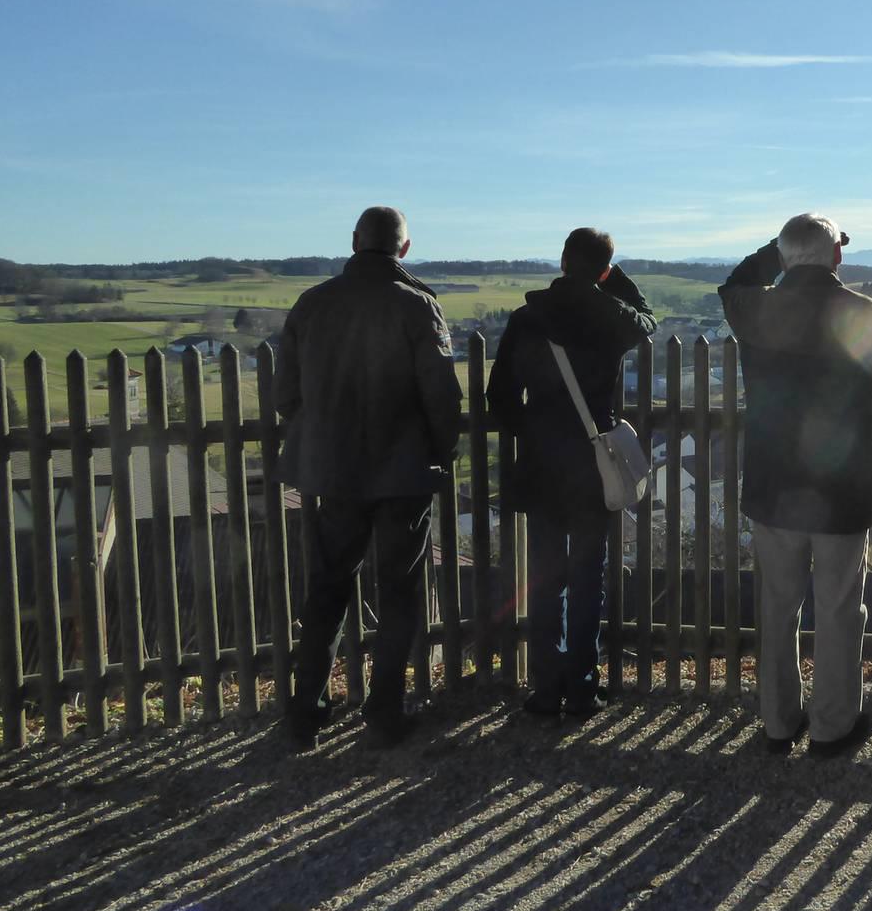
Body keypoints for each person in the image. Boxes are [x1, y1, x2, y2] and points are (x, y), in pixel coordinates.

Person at [276, 206, 464, 749]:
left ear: (355, 242)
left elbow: (286, 394)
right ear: (404, 249)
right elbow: (441, 395)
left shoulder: (312, 304)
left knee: (327, 589)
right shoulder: (418, 306)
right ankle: (383, 713)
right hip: (402, 472)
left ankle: (305, 714)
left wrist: (320, 433)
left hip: (332, 471)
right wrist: (439, 447)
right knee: (399, 590)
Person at [720, 214, 872, 755]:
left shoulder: (758, 308)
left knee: (777, 607)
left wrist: (776, 255)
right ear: (838, 257)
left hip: (773, 482)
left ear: (782, 256)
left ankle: (778, 722)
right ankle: (831, 725)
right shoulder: (859, 312)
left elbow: (734, 284)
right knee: (840, 606)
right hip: (839, 485)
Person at [486, 228, 656, 717]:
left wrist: (532, 430)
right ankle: (583, 687)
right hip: (593, 463)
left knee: (545, 577)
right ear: (604, 270)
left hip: (542, 462)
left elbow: (499, 398)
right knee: (588, 576)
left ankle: (546, 688)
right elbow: (646, 317)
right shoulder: (614, 319)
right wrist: (610, 277)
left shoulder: (527, 318)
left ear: (561, 260)